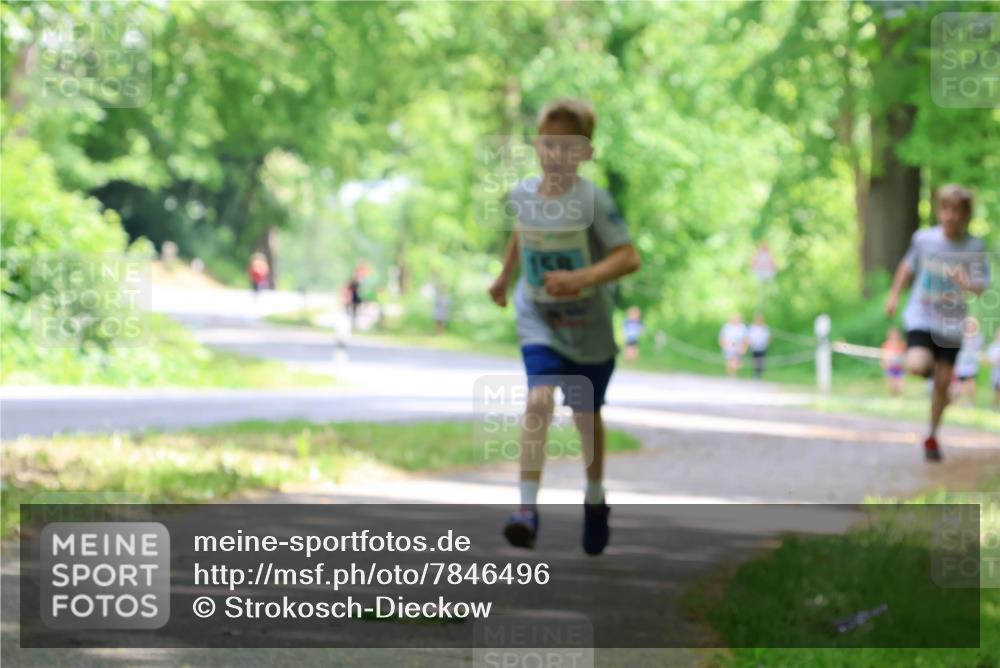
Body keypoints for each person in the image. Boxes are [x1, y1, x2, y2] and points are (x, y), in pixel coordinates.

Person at [487, 99, 640, 556]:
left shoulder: (594, 201)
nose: (554, 154)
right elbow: (523, 230)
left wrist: (581, 278)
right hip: (539, 318)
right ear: (536, 144)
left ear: (586, 153)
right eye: (547, 144)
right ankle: (526, 510)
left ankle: (594, 498)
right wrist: (505, 276)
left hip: (588, 328)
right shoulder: (523, 195)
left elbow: (628, 257)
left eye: (566, 147)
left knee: (586, 416)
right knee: (538, 402)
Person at [886, 184, 991, 461]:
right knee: (917, 364)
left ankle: (932, 436)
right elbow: (907, 266)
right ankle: (937, 376)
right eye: (946, 208)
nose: (951, 215)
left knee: (942, 388)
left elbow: (983, 285)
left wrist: (968, 283)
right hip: (922, 314)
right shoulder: (923, 239)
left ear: (966, 214)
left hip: (953, 324)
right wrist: (894, 296)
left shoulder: (974, 245)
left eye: (957, 210)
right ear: (939, 210)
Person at [953, 317, 984, 407]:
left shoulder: (978, 337)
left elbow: (979, 350)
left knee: (971, 383)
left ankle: (971, 402)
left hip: (972, 364)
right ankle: (957, 402)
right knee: (959, 384)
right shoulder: (960, 336)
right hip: (961, 364)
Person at [880, 327, 907, 397]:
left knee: (900, 385)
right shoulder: (886, 345)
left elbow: (906, 355)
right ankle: (893, 397)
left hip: (900, 368)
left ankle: (899, 397)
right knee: (892, 386)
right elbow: (883, 356)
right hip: (890, 368)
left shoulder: (903, 344)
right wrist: (884, 364)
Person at [748, 312, 771, 379]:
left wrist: (768, 344)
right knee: (754, 361)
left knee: (761, 361)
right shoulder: (752, 327)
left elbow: (768, 337)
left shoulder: (765, 327)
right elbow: (749, 337)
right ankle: (755, 374)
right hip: (754, 347)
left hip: (762, 347)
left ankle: (759, 375)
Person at [989, 329, 1000, 411]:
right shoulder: (993, 346)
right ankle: (994, 407)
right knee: (996, 390)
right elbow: (989, 359)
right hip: (996, 372)